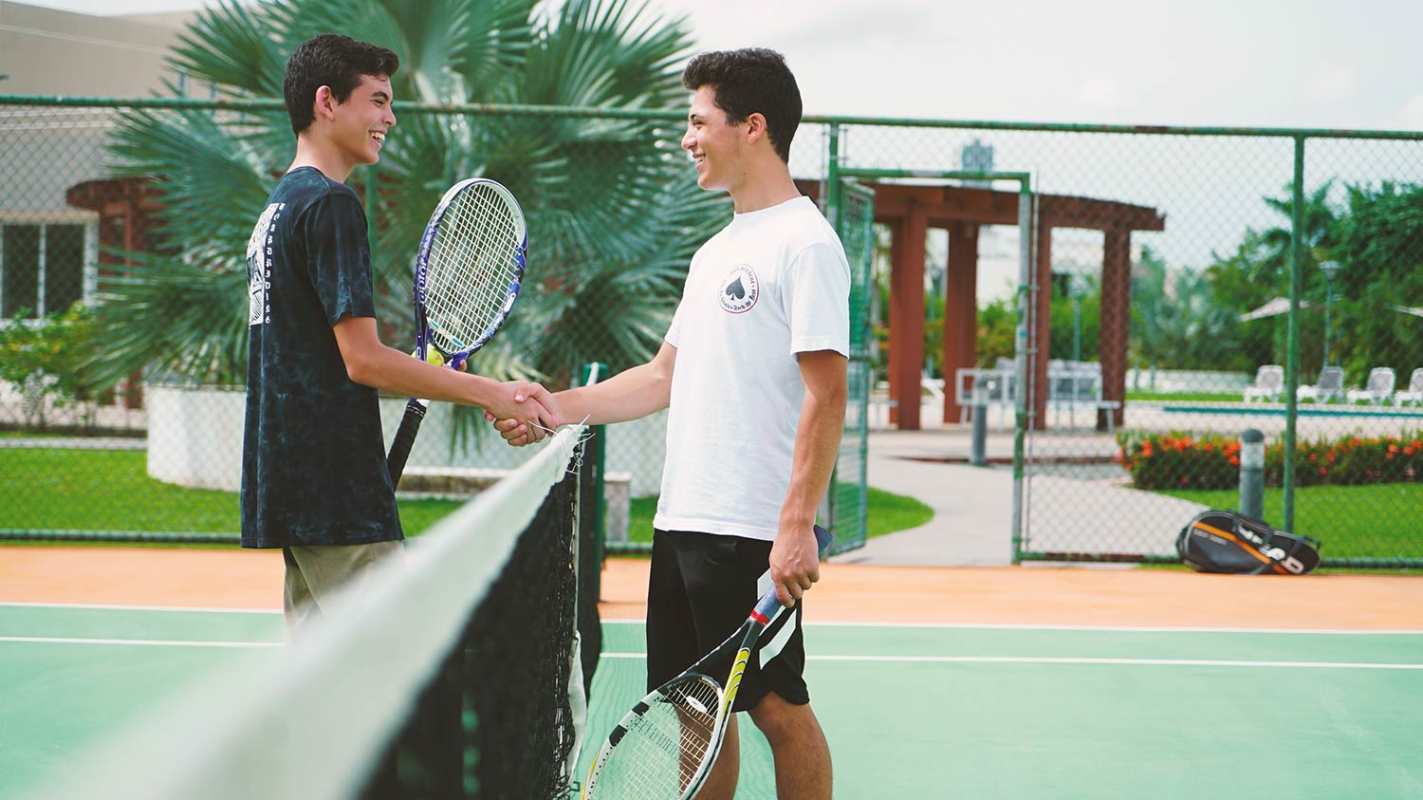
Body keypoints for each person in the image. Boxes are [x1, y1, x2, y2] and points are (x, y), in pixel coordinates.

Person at [496, 47, 846, 800]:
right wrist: (555, 408)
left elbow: (827, 393)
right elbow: (661, 378)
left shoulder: (805, 243)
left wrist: (796, 525)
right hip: (684, 519)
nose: (687, 138)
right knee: (697, 714)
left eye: (697, 121)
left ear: (752, 126)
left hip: (749, 529)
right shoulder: (716, 250)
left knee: (779, 710)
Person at [242, 34, 556, 632]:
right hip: (336, 494)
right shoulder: (330, 205)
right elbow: (364, 361)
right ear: (327, 102)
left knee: (324, 682)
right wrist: (493, 393)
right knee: (392, 685)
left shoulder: (278, 206)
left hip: (290, 486)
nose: (390, 118)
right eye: (378, 100)